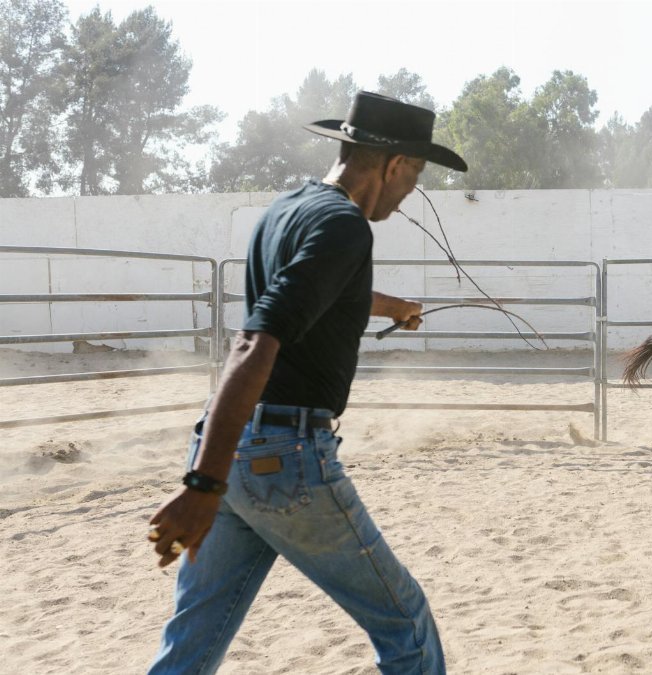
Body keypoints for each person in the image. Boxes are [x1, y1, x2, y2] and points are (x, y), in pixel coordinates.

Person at [146, 91, 467, 675]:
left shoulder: (286, 210)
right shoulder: (346, 226)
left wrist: (390, 306)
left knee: (195, 636)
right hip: (284, 457)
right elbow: (255, 340)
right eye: (416, 174)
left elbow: (307, 294)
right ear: (395, 164)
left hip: (234, 450)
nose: (412, 190)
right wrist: (200, 484)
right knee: (405, 620)